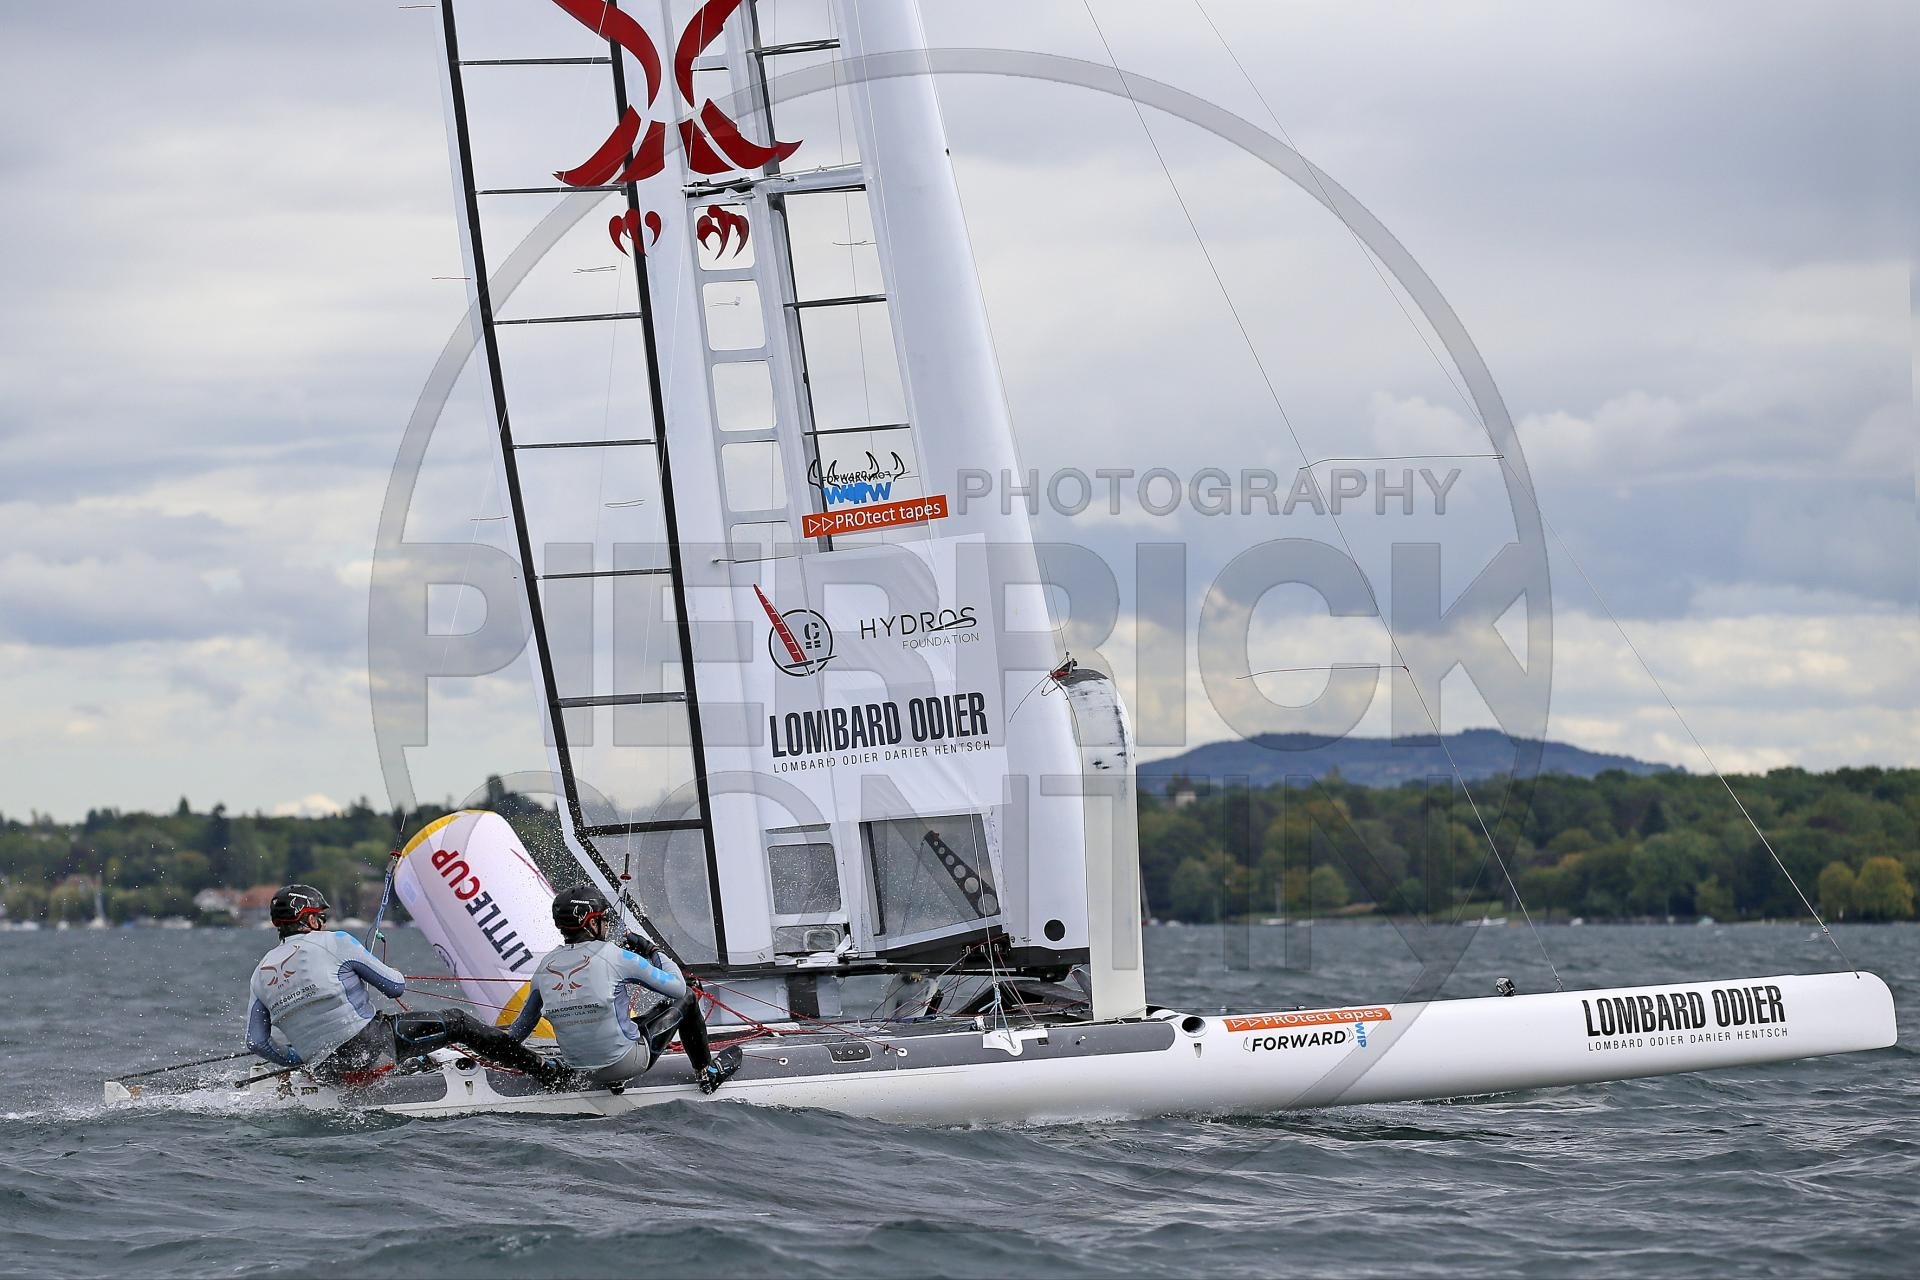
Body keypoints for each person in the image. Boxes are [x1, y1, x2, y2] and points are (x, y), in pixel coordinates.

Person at [246, 884, 560, 1086]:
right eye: (321, 917)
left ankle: (411, 1065)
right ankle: (546, 1072)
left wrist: (297, 1058)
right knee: (458, 1022)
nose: (324, 923)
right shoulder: (335, 941)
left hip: (327, 1071)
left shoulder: (260, 973)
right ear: (310, 919)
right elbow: (394, 986)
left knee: (389, 1039)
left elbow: (257, 1042)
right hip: (371, 1048)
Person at [507, 883, 741, 1094]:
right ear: (592, 923)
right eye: (604, 919)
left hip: (580, 1071)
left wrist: (500, 1052)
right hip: (625, 1063)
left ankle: (614, 1079)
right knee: (688, 995)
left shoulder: (545, 965)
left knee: (640, 1014)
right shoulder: (616, 956)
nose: (607, 924)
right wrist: (651, 949)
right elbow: (678, 988)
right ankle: (707, 1074)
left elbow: (521, 1029)